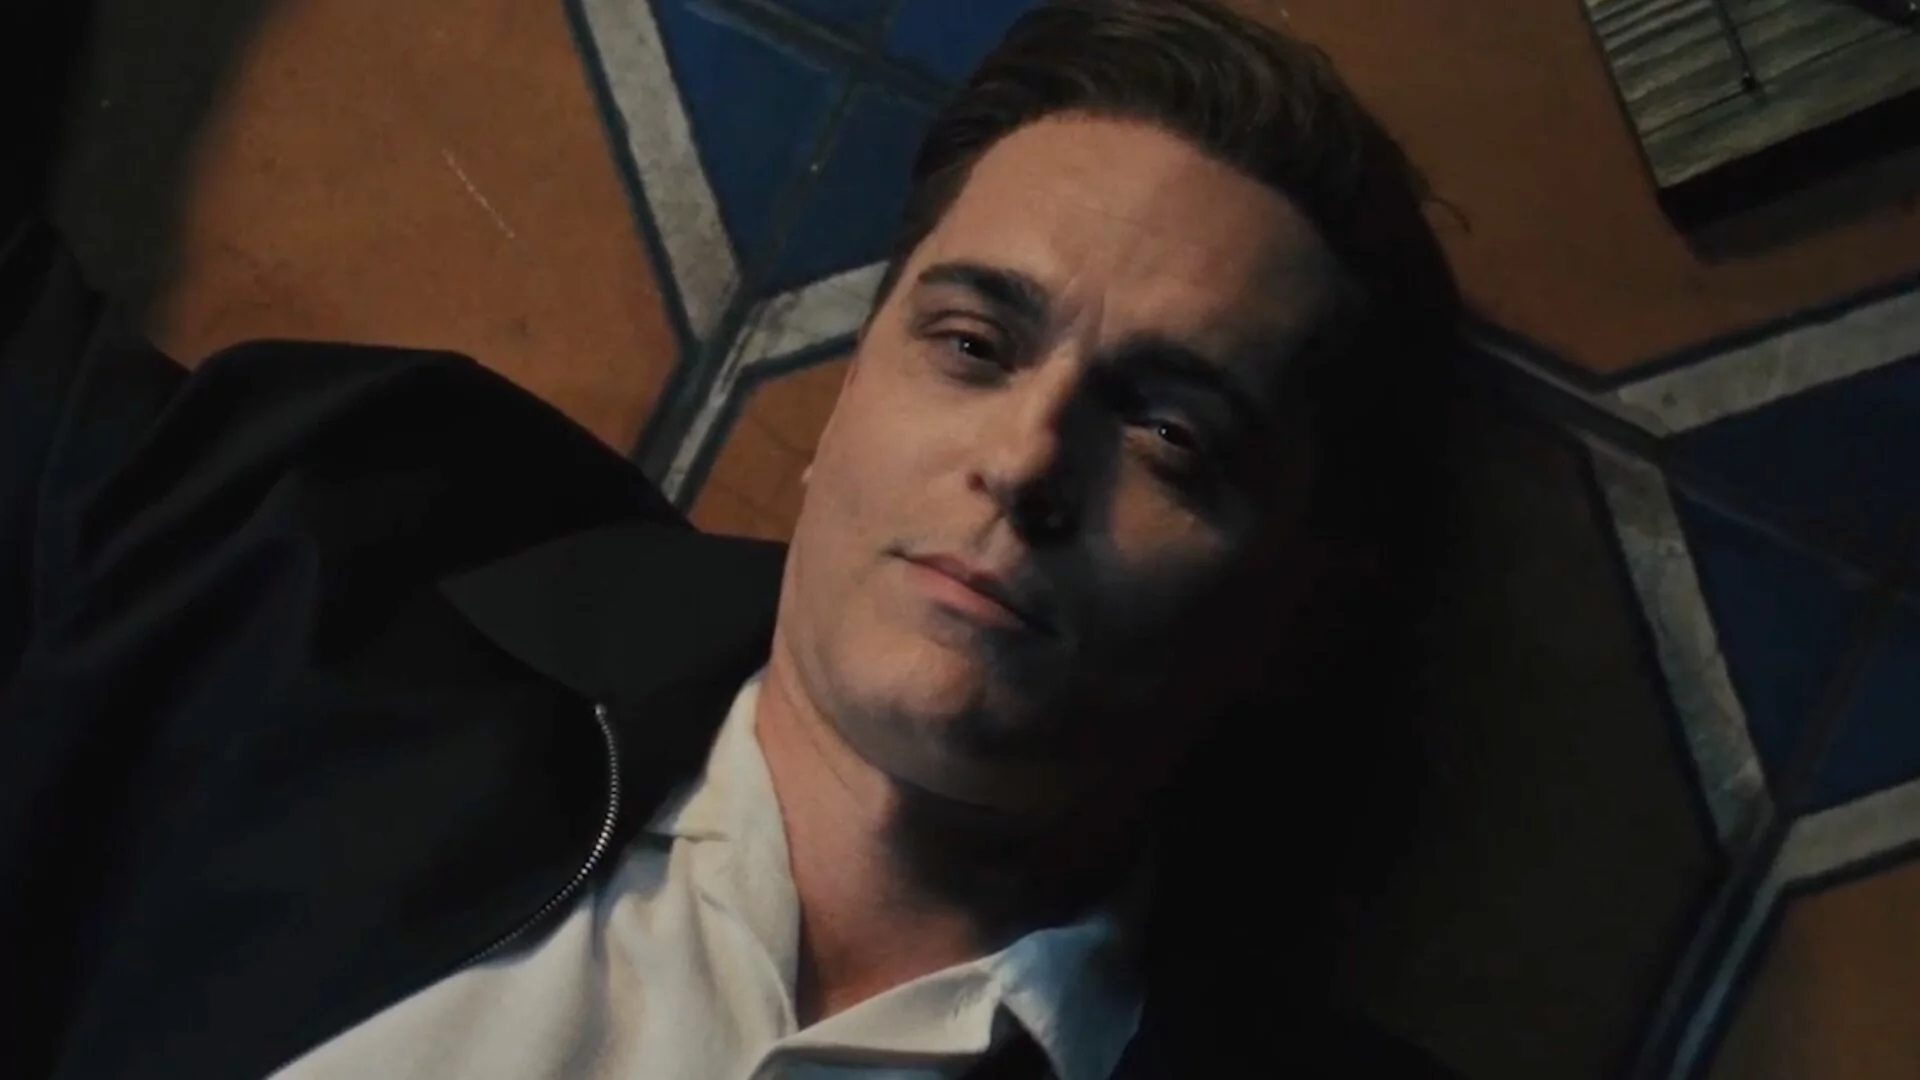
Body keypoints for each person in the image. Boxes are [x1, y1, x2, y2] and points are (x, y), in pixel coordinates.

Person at [1, 0, 1465, 1077]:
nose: (1024, 461)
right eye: (971, 344)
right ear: (845, 396)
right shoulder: (315, 553)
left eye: (1172, 435)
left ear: (1296, 605)